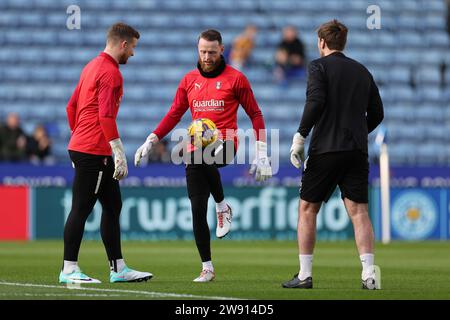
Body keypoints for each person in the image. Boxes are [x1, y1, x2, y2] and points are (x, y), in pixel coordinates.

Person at [134, 29, 272, 282]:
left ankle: (221, 205)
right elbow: (175, 113)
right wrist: (151, 139)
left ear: (221, 50)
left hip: (226, 143)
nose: (207, 56)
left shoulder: (236, 79)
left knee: (201, 158)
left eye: (211, 51)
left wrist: (261, 151)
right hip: (195, 149)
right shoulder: (188, 80)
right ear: (197, 50)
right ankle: (207, 267)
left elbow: (256, 114)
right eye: (202, 51)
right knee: (197, 208)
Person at [282, 20, 384, 290]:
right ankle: (369, 275)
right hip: (356, 150)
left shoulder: (318, 66)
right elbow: (378, 113)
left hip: (325, 148)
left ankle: (304, 275)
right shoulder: (362, 71)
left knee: (307, 209)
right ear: (343, 42)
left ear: (322, 43)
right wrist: (358, 131)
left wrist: (300, 136)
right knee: (359, 211)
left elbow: (315, 101)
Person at [61, 22, 152, 284]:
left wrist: (77, 135)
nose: (133, 54)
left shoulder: (91, 66)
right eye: (133, 47)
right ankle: (68, 269)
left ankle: (118, 268)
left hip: (85, 145)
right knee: (81, 208)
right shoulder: (111, 73)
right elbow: (105, 116)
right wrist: (118, 151)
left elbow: (71, 107)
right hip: (93, 150)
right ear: (123, 44)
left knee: (113, 205)